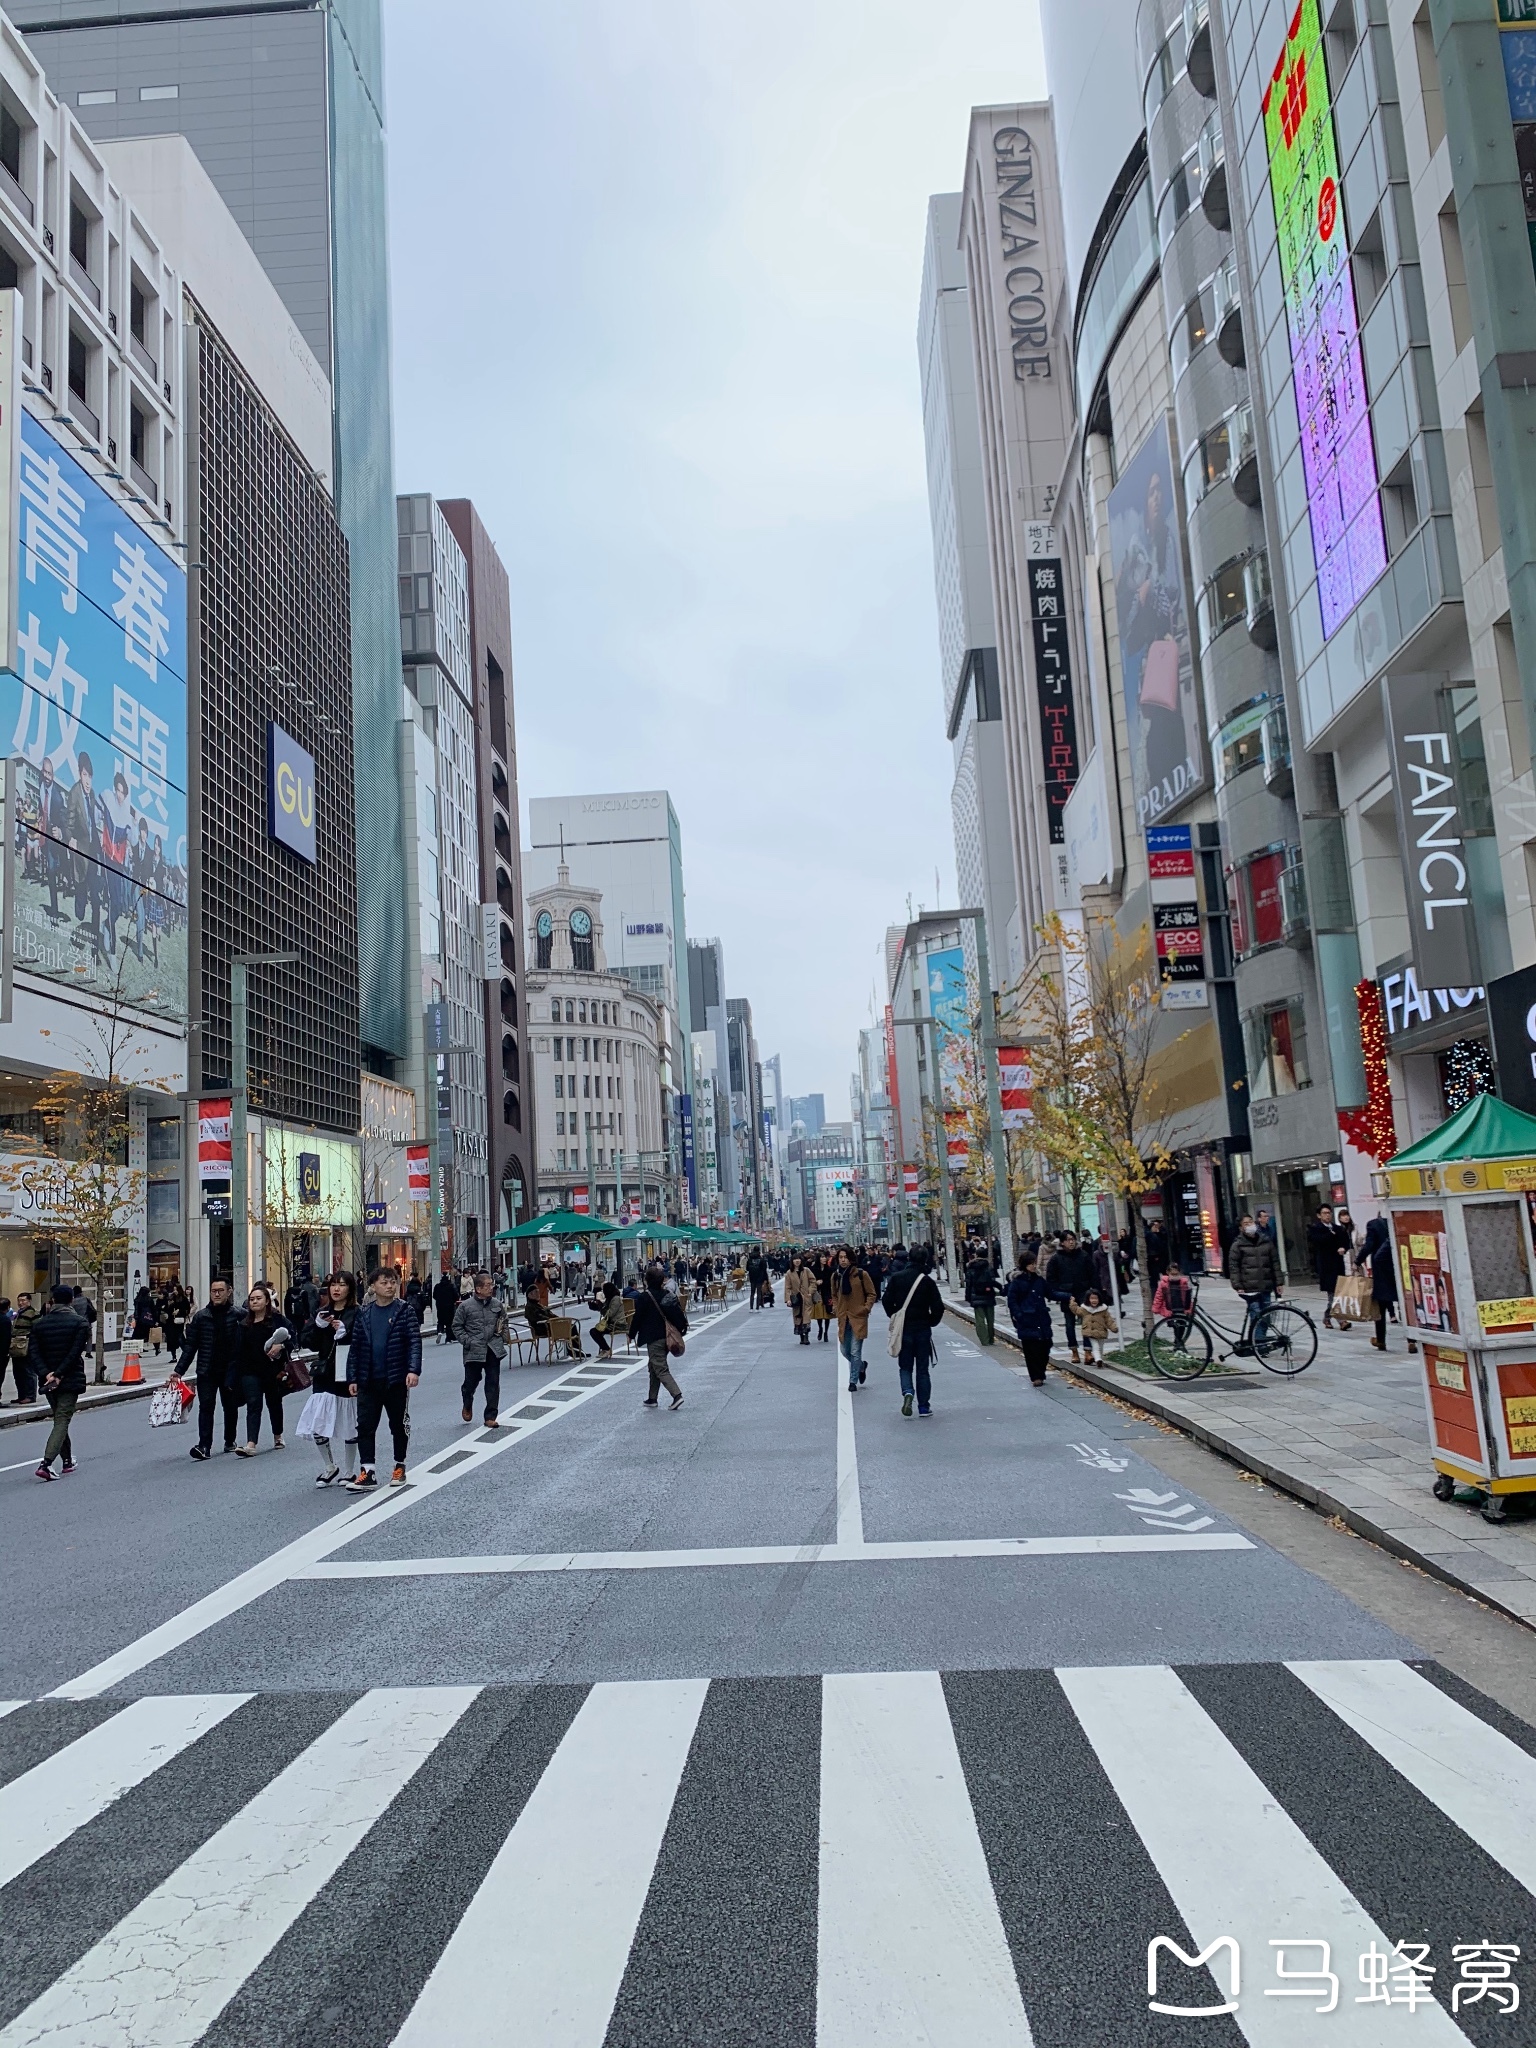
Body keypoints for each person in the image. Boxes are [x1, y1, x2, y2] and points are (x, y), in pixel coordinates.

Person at [345, 1264, 422, 1491]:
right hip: (368, 1379)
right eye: (384, 1282)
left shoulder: (404, 1310)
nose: (389, 1286)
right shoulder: (365, 1313)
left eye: (392, 1282)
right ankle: (367, 1471)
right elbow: (356, 1347)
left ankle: (400, 1465)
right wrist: (352, 1377)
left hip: (395, 1378)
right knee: (365, 1426)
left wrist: (413, 1370)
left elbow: (414, 1342)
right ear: (373, 1286)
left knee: (397, 1423)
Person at [299, 1269, 359, 1484]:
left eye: (342, 1284)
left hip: (347, 1372)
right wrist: (318, 1326)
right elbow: (307, 1341)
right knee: (318, 1420)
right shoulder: (323, 1312)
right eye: (333, 1284)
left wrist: (345, 1333)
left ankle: (350, 1470)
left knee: (349, 1422)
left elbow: (363, 1341)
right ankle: (329, 1465)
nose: (336, 1288)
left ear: (350, 1289)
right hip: (324, 1372)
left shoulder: (357, 1312)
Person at [179, 1277, 246, 1459]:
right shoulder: (201, 1317)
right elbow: (190, 1346)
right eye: (213, 1291)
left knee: (230, 1406)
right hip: (207, 1370)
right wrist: (179, 1371)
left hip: (230, 1370)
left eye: (220, 1291)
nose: (216, 1294)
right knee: (206, 1406)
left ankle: (230, 1440)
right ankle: (204, 1446)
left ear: (229, 1292)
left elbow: (248, 1341)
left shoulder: (238, 1315)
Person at [30, 1285, 90, 1478]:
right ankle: (46, 1463)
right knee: (62, 1419)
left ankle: (67, 1460)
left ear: (53, 1300)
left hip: (48, 1380)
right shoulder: (80, 1323)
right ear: (71, 1300)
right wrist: (60, 1373)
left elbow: (34, 1352)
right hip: (69, 1377)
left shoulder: (39, 1324)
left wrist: (47, 1373)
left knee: (59, 1418)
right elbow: (75, 1353)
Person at [882, 1247, 945, 1417]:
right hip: (923, 1329)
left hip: (904, 1330)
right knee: (923, 1369)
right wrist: (931, 1321)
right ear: (925, 1260)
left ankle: (908, 1392)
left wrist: (895, 1316)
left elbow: (886, 1301)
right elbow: (938, 1307)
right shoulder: (927, 1281)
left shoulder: (897, 1278)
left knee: (905, 1366)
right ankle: (924, 1406)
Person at [234, 1284, 294, 1456]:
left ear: (267, 1301)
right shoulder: (244, 1324)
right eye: (252, 1299)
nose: (254, 1302)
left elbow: (293, 1338)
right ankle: (251, 1443)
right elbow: (238, 1350)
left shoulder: (277, 1320)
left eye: (258, 1298)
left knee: (274, 1402)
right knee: (253, 1404)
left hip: (272, 1370)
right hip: (249, 1371)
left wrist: (280, 1345)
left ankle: (278, 1435)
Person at [453, 1271, 509, 1428]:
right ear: (478, 1288)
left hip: (493, 1349)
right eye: (487, 1285)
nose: (490, 1288)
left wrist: (501, 1338)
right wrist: (467, 1341)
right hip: (474, 1350)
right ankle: (467, 1402)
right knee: (471, 1382)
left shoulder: (497, 1304)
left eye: (491, 1284)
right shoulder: (466, 1306)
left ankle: (490, 1416)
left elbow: (504, 1322)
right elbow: (457, 1326)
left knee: (493, 1382)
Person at [631, 1260, 687, 1408]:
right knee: (653, 1366)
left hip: (654, 1337)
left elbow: (637, 1318)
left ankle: (677, 1395)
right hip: (668, 1337)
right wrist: (681, 1330)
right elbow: (678, 1314)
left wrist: (631, 1334)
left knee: (660, 1368)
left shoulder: (644, 1297)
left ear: (647, 1280)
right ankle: (652, 1398)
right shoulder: (667, 1295)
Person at [1226, 1213, 1284, 1351]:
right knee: (1256, 1315)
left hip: (1266, 1285)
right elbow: (1233, 1267)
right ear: (1241, 1228)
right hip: (1249, 1287)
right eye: (1246, 1224)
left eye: (1251, 1222)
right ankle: (1259, 1345)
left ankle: (1259, 1341)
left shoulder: (1266, 1241)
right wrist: (1237, 1285)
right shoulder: (1238, 1245)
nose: (1250, 1225)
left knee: (1266, 1316)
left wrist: (1279, 1282)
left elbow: (1275, 1262)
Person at [1044, 1230, 1097, 1364]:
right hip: (1067, 1295)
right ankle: (1073, 1350)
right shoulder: (1056, 1258)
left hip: (1083, 1293)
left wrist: (1093, 1291)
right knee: (1069, 1324)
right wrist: (1060, 1292)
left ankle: (1088, 1351)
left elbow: (1093, 1273)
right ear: (1062, 1242)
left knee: (1087, 1322)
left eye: (1073, 1239)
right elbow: (1051, 1278)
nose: (1071, 1242)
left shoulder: (1083, 1255)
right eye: (1068, 1240)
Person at [832, 1247, 878, 1391]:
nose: (843, 1260)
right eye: (840, 1257)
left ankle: (853, 1381)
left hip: (858, 1317)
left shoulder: (860, 1274)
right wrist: (836, 1308)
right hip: (843, 1317)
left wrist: (865, 1308)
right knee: (844, 1350)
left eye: (845, 1257)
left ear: (851, 1258)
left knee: (855, 1351)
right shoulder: (836, 1276)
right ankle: (861, 1366)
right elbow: (834, 1295)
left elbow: (871, 1293)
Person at [1006, 1251, 1054, 1387]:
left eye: (1034, 1263)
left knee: (1046, 1346)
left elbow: (1050, 1293)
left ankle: (1041, 1372)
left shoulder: (1039, 1280)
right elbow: (1012, 1300)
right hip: (1026, 1319)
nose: (1033, 1266)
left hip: (1041, 1317)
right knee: (1031, 1349)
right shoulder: (1017, 1282)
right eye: (1031, 1264)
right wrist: (1019, 1315)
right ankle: (1036, 1376)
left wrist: (1067, 1296)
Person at [1308, 1204, 1351, 1332]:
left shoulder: (1338, 1228)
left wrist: (1344, 1247)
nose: (1327, 1215)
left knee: (1339, 1293)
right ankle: (1341, 1320)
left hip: (1338, 1264)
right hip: (1326, 1266)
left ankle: (1327, 1317)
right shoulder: (1316, 1229)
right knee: (1333, 1294)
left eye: (1329, 1213)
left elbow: (1346, 1241)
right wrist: (1330, 1235)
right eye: (1325, 1213)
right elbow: (1317, 1242)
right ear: (1319, 1215)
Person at [1359, 1216, 1399, 1350]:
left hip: (1382, 1271)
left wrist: (1357, 1261)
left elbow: (1369, 1246)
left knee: (1380, 1307)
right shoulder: (1396, 1220)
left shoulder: (1373, 1224)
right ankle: (1411, 1341)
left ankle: (1381, 1340)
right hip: (1399, 1268)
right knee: (1405, 1306)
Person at [6, 1290, 38, 1405]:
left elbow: (37, 1329)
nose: (21, 1303)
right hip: (17, 1348)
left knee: (28, 1372)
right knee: (18, 1373)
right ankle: (22, 1395)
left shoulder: (33, 1314)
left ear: (29, 1301)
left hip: (26, 1346)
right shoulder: (18, 1314)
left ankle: (30, 1395)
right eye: (19, 1300)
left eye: (23, 1300)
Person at [1070, 1289, 1118, 1364]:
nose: (1094, 1300)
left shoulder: (1103, 1309)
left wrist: (1113, 1328)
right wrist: (1072, 1303)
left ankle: (1100, 1358)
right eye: (1092, 1298)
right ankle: (1098, 1359)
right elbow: (1076, 1310)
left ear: (1099, 1299)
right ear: (1088, 1299)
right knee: (1095, 1346)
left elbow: (1109, 1320)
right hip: (1090, 1331)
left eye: (1096, 1298)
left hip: (1101, 1331)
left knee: (1101, 1346)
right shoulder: (1084, 1309)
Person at [964, 1242, 997, 1346]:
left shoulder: (971, 1267)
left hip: (976, 1295)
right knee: (990, 1319)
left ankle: (984, 1340)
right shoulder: (989, 1267)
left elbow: (968, 1283)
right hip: (988, 1295)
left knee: (980, 1319)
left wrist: (968, 1296)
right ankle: (991, 1338)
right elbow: (992, 1281)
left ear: (976, 1255)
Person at [589, 1277, 626, 1356]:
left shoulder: (616, 1299)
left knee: (595, 1332)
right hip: (610, 1323)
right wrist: (597, 1307)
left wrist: (602, 1307)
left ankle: (607, 1349)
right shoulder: (609, 1299)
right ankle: (604, 1348)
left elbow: (610, 1314)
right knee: (594, 1331)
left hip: (617, 1324)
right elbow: (604, 1312)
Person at [784, 1255, 815, 1345]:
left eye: (798, 1259)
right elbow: (787, 1287)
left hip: (806, 1297)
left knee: (806, 1317)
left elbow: (813, 1281)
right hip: (796, 1298)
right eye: (795, 1259)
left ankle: (806, 1337)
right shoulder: (789, 1273)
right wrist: (788, 1299)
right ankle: (801, 1336)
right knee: (798, 1317)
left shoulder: (806, 1271)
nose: (797, 1261)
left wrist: (810, 1291)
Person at [432, 1269, 459, 1344]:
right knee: (449, 1323)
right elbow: (456, 1296)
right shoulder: (451, 1286)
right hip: (449, 1306)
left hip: (440, 1306)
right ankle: (448, 1339)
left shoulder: (437, 1286)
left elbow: (434, 1295)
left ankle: (440, 1331)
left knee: (440, 1320)